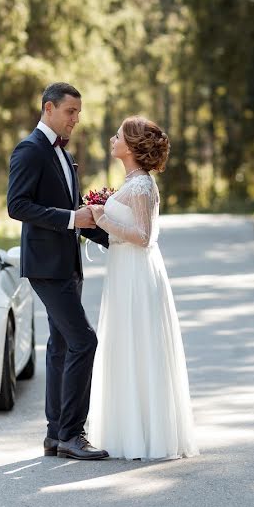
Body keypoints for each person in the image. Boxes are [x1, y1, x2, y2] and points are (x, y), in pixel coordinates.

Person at [7, 82, 111, 460]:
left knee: (61, 346)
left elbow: (79, 213)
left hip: (68, 264)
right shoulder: (30, 150)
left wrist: (116, 239)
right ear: (49, 109)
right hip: (47, 267)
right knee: (84, 340)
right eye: (70, 112)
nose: (76, 120)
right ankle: (72, 433)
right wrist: (71, 218)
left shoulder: (65, 156)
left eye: (79, 114)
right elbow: (17, 206)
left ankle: (55, 435)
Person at [86, 115, 199, 460]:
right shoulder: (131, 183)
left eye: (118, 135)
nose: (112, 139)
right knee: (125, 345)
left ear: (132, 146)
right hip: (124, 270)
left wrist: (101, 217)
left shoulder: (142, 186)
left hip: (137, 272)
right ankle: (128, 431)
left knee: (140, 344)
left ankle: (149, 435)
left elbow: (144, 236)